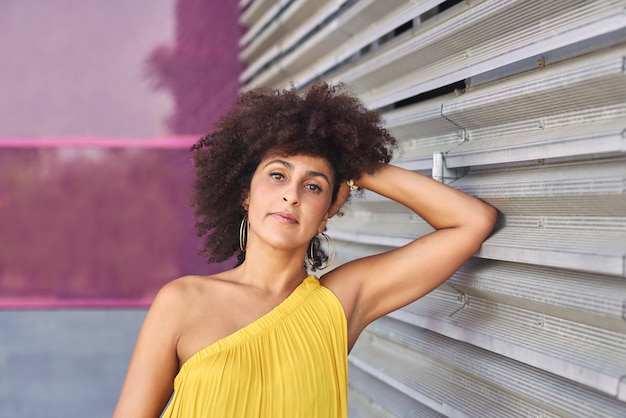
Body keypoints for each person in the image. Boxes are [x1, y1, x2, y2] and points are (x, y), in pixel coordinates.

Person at [112, 82, 497, 417]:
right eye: (277, 175)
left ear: (328, 212)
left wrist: (352, 162)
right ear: (245, 195)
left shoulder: (341, 302)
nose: (291, 195)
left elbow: (471, 222)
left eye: (313, 186)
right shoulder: (183, 301)